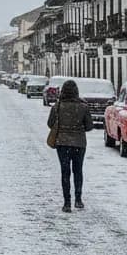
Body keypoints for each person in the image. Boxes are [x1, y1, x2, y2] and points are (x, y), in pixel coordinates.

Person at [46, 79, 94, 212]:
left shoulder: (57, 106)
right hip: (79, 143)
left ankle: (67, 203)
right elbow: (89, 126)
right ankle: (78, 200)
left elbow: (50, 124)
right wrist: (78, 127)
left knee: (65, 172)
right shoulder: (83, 106)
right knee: (78, 171)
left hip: (62, 143)